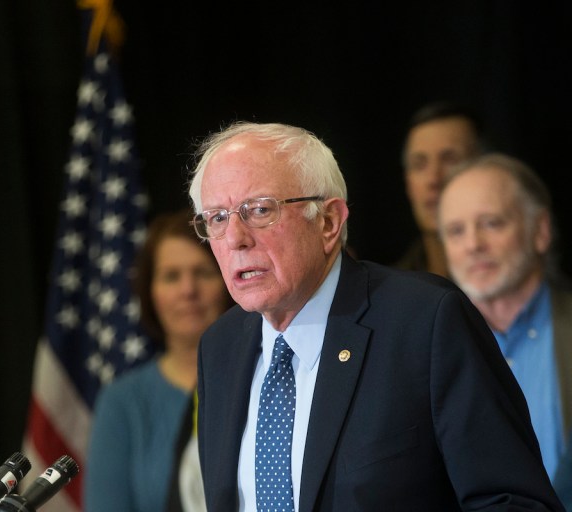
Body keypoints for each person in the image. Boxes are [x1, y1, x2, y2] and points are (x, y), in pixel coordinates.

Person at [187, 121, 563, 511]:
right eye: (216, 218)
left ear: (329, 222)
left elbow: (512, 501)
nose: (235, 238)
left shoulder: (425, 322)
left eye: (259, 210)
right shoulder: (220, 347)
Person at [83, 208, 234, 512]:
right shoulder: (121, 402)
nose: (188, 290)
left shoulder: (264, 380)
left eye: (203, 272)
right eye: (171, 276)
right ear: (150, 292)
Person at [437, 152, 572, 491]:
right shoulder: (423, 351)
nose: (473, 245)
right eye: (456, 231)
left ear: (540, 230)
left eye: (492, 223)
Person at [395, 101, 487, 277]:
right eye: (419, 164)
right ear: (408, 184)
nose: (433, 179)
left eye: (450, 160)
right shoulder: (386, 293)